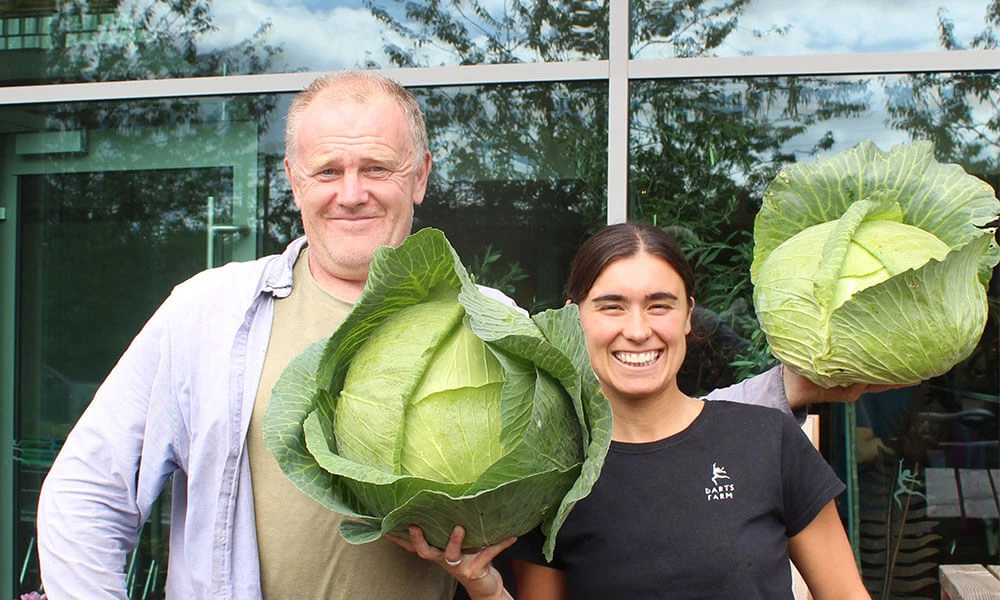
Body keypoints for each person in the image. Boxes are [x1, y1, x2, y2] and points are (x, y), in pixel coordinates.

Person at [36, 71, 867, 600]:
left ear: (421, 178)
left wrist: (785, 389)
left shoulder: (494, 318)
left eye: (377, 168)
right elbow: (86, 494)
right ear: (293, 181)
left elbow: (625, 423)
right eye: (327, 170)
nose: (350, 193)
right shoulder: (207, 314)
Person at [390, 223, 878, 600]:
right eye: (612, 306)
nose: (639, 330)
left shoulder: (768, 440)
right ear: (575, 318)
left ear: (689, 315)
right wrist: (485, 587)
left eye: (659, 305)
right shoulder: (550, 474)